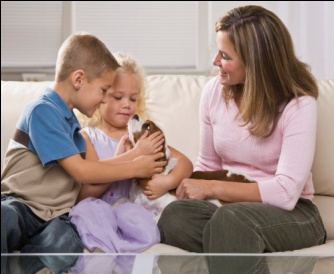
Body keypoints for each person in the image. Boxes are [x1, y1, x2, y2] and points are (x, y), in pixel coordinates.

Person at [158, 5, 326, 272]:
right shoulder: (214, 92)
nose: (215, 62)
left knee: (232, 222)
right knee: (175, 217)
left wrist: (212, 189)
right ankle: (241, 245)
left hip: (295, 214)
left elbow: (284, 193)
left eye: (225, 56)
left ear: (256, 62)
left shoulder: (299, 104)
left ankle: (238, 240)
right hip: (230, 210)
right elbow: (208, 165)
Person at [1, 32, 167, 259]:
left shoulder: (74, 130)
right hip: (21, 205)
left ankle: (34, 267)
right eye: (103, 90)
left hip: (55, 216)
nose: (103, 99)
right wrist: (137, 164)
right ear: (79, 79)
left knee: (67, 243)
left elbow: (89, 181)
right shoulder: (43, 110)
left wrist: (127, 156)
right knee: (5, 217)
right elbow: (81, 170)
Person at [69, 52, 193, 253]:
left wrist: (167, 182)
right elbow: (85, 194)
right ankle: (106, 255)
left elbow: (185, 163)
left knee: (147, 228)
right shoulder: (88, 137)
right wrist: (130, 157)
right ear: (100, 97)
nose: (127, 104)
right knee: (86, 212)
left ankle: (124, 257)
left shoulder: (142, 134)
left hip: (134, 213)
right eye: (118, 97)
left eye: (133, 98)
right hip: (101, 211)